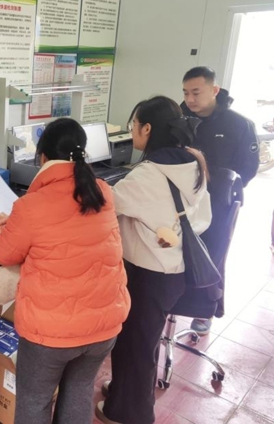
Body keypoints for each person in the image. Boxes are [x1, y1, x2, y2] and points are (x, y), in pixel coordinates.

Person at [0, 118, 130, 424]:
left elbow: (2, 254)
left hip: (50, 333)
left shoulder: (31, 205)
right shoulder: (103, 191)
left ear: (42, 157)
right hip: (104, 325)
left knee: (34, 400)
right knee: (79, 390)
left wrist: (9, 226)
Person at [96, 96, 212, 424]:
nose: (132, 130)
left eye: (133, 125)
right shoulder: (193, 162)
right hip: (174, 270)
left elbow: (107, 204)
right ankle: (124, 391)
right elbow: (202, 217)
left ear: (147, 128)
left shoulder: (148, 174)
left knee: (135, 345)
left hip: (147, 274)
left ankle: (129, 413)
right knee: (142, 341)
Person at [181, 66, 259, 335]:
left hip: (218, 203)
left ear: (214, 90)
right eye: (186, 93)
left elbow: (248, 168)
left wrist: (224, 188)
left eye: (196, 92)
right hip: (182, 200)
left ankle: (205, 310)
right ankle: (174, 300)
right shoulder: (179, 120)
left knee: (213, 254)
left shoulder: (239, 124)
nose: (190, 99)